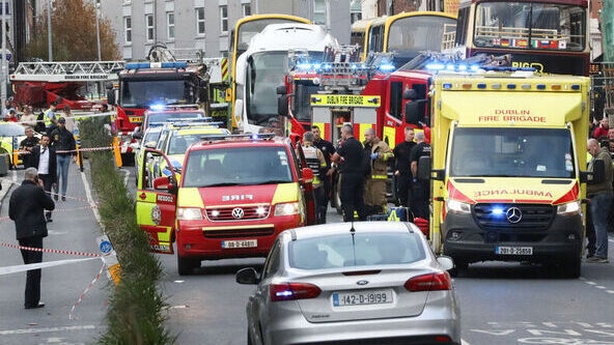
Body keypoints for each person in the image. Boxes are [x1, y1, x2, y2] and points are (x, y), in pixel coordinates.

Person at [8, 167, 55, 309]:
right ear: (35, 178)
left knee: (29, 266)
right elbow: (50, 205)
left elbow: (11, 215)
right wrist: (42, 188)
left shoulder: (15, 193)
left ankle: (31, 299)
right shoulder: (36, 191)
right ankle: (31, 300)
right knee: (35, 268)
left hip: (21, 234)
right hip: (35, 233)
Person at [331, 124, 368, 222]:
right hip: (359, 175)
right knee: (358, 199)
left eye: (342, 132)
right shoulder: (359, 144)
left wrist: (340, 159)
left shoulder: (345, 144)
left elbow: (334, 157)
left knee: (347, 199)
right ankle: (363, 220)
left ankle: (349, 221)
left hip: (348, 175)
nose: (341, 134)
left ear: (346, 132)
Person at [586, 138, 613, 263]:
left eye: (589, 149)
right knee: (596, 224)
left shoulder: (603, 157)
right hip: (597, 194)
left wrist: (587, 187)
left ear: (595, 146)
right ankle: (597, 251)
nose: (589, 152)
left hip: (601, 194)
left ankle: (601, 254)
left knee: (599, 224)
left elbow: (600, 177)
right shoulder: (597, 157)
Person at [362, 128, 393, 215]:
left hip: (379, 178)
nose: (366, 137)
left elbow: (391, 155)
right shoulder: (366, 146)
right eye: (365, 136)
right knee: (368, 201)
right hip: (368, 178)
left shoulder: (382, 145)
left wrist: (379, 155)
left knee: (379, 200)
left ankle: (382, 216)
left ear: (373, 135)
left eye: (367, 135)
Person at [300, 131, 329, 224]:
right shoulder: (317, 151)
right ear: (312, 140)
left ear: (304, 140)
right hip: (316, 184)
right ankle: (317, 220)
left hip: (303, 184)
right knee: (317, 204)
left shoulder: (299, 150)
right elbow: (324, 165)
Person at [30, 134, 57, 222]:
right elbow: (31, 163)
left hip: (48, 176)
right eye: (44, 140)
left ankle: (48, 215)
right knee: (36, 195)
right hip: (37, 176)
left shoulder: (52, 152)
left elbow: (54, 166)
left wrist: (54, 180)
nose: (46, 142)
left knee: (47, 195)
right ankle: (38, 215)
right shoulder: (36, 150)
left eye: (47, 140)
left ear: (49, 142)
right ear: (41, 141)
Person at [50, 117, 77, 201]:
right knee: (57, 174)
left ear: (64, 123)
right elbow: (49, 142)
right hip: (57, 156)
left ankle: (64, 194)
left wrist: (74, 155)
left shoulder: (68, 134)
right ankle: (56, 192)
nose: (62, 124)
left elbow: (73, 144)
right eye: (60, 123)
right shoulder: (54, 133)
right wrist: (51, 152)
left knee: (64, 176)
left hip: (66, 156)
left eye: (63, 123)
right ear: (58, 123)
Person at [311, 125, 336, 209]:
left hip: (325, 175)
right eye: (313, 132)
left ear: (320, 132)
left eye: (317, 132)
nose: (316, 134)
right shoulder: (309, 146)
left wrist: (333, 168)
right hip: (313, 176)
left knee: (325, 198)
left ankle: (323, 216)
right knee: (314, 199)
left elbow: (337, 156)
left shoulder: (327, 144)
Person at [410, 131, 431, 219]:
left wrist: (414, 177)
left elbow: (414, 164)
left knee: (419, 201)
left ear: (415, 138)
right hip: (431, 179)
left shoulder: (415, 148)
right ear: (424, 138)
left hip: (420, 180)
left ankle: (421, 219)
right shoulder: (430, 147)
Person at [393, 127, 416, 207]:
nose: (413, 136)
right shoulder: (399, 147)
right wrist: (395, 170)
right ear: (405, 134)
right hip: (402, 175)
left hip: (413, 175)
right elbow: (392, 159)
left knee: (414, 196)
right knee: (403, 196)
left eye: (413, 134)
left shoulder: (415, 146)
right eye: (411, 134)